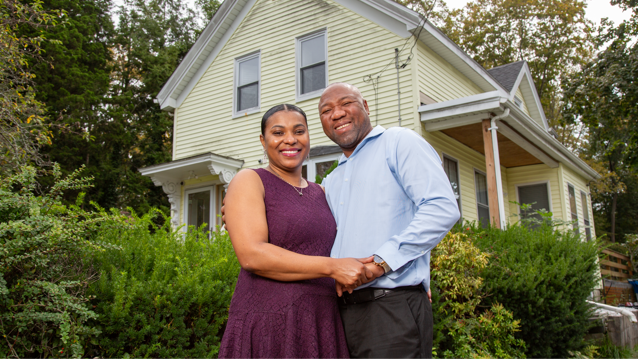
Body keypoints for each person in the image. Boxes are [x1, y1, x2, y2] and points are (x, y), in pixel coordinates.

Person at [218, 103, 374, 359]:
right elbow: (252, 255)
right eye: (278, 133)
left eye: (298, 131)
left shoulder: (323, 192)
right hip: (269, 321)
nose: (290, 139)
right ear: (263, 140)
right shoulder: (250, 180)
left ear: (308, 137)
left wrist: (412, 274)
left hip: (322, 321)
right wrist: (333, 267)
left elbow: (362, 233)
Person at [317, 83, 460, 359]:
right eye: (326, 110)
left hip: (391, 309)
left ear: (366, 107)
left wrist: (382, 263)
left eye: (346, 103)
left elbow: (442, 207)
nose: (336, 114)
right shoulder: (333, 179)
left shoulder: (398, 142)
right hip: (341, 313)